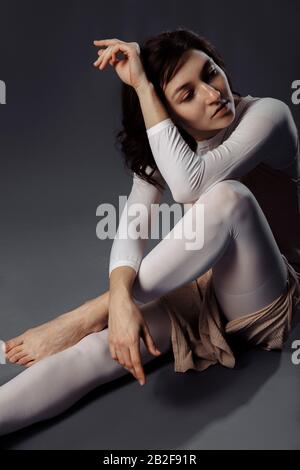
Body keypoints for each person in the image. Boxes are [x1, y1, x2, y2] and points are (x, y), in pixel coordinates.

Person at [1, 28, 300, 436]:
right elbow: (131, 229)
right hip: (209, 286)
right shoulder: (171, 148)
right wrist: (123, 303)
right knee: (100, 350)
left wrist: (143, 83)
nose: (214, 94)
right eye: (187, 94)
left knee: (232, 198)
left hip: (275, 290)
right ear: (167, 115)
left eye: (210, 73)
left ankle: (87, 313)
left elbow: (192, 185)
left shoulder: (269, 115)